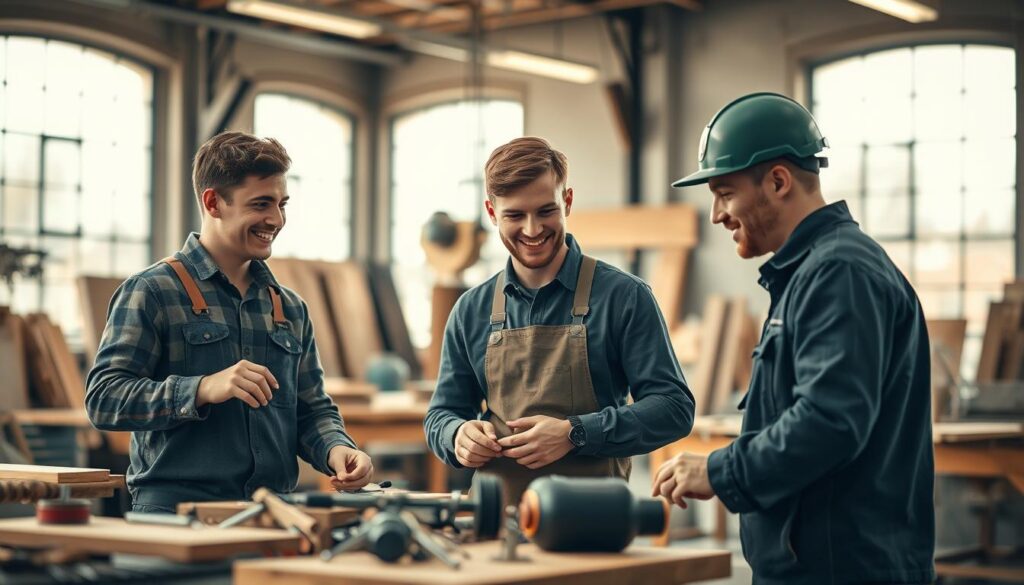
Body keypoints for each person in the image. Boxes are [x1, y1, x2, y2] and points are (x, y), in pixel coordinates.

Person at [654, 92, 934, 585]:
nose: (717, 214)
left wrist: (721, 472)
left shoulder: (838, 272)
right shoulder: (813, 271)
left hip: (842, 570)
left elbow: (830, 420)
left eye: (724, 193)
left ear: (778, 180)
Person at [86, 131, 373, 512]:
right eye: (261, 204)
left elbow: (312, 409)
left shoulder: (289, 308)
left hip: (274, 515)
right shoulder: (152, 292)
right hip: (175, 516)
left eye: (282, 203)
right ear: (213, 202)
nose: (276, 218)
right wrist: (201, 388)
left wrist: (338, 448)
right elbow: (104, 399)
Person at [424, 136, 695, 504]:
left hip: (592, 520)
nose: (533, 230)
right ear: (491, 213)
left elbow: (673, 408)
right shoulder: (470, 310)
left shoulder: (624, 297)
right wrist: (456, 435)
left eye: (546, 211)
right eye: (515, 215)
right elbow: (442, 413)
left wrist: (575, 433)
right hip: (495, 523)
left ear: (567, 201)